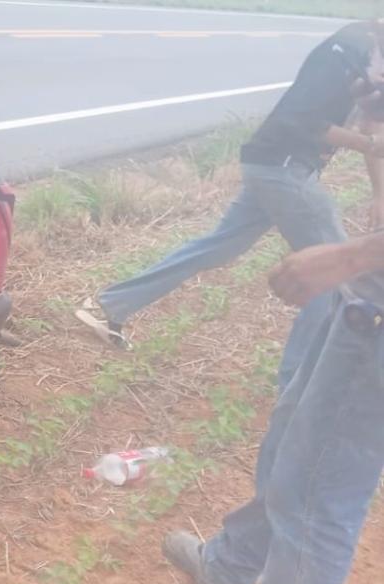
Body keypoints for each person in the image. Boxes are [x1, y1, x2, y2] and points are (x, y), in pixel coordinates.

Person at [75, 20, 384, 391]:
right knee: (332, 274)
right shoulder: (351, 47)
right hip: (285, 169)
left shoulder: (371, 58)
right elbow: (306, 120)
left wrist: (378, 191)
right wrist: (368, 144)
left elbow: (372, 131)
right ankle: (295, 385)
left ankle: (109, 305)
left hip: (271, 166)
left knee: (217, 246)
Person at [157, 228, 384, 584]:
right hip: (364, 297)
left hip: (373, 313)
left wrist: (352, 256)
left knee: (318, 496)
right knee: (290, 444)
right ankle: (228, 566)